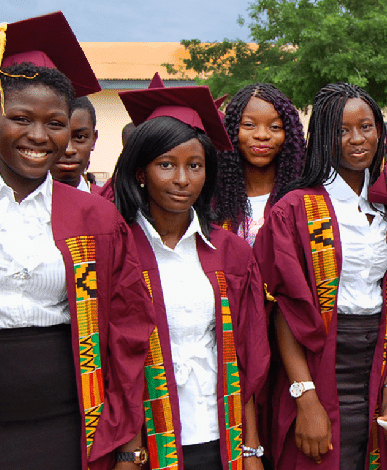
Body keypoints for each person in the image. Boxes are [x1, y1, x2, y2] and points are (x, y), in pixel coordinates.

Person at [0, 12, 154, 469]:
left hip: (71, 425)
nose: (39, 136)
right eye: (20, 118)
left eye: (56, 122)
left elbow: (128, 334)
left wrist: (128, 444)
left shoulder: (95, 217)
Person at [254, 82, 387, 470]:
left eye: (366, 127)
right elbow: (284, 310)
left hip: (375, 364)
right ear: (323, 138)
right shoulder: (295, 208)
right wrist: (305, 396)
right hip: (318, 365)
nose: (357, 140)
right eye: (342, 131)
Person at [113, 81, 270, 470]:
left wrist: (251, 449)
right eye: (166, 165)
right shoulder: (118, 249)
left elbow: (246, 356)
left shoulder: (232, 253)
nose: (182, 179)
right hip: (145, 442)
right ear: (141, 172)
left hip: (219, 434)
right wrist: (129, 453)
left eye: (195, 166)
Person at [213, 83, 305, 246]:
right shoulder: (213, 199)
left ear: (289, 134)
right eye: (249, 125)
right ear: (232, 130)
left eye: (275, 127)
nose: (262, 135)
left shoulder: (306, 200)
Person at [51, 96, 101, 193]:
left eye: (80, 137)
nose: (69, 150)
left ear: (94, 139)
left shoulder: (108, 201)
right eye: (58, 137)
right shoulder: (22, 200)